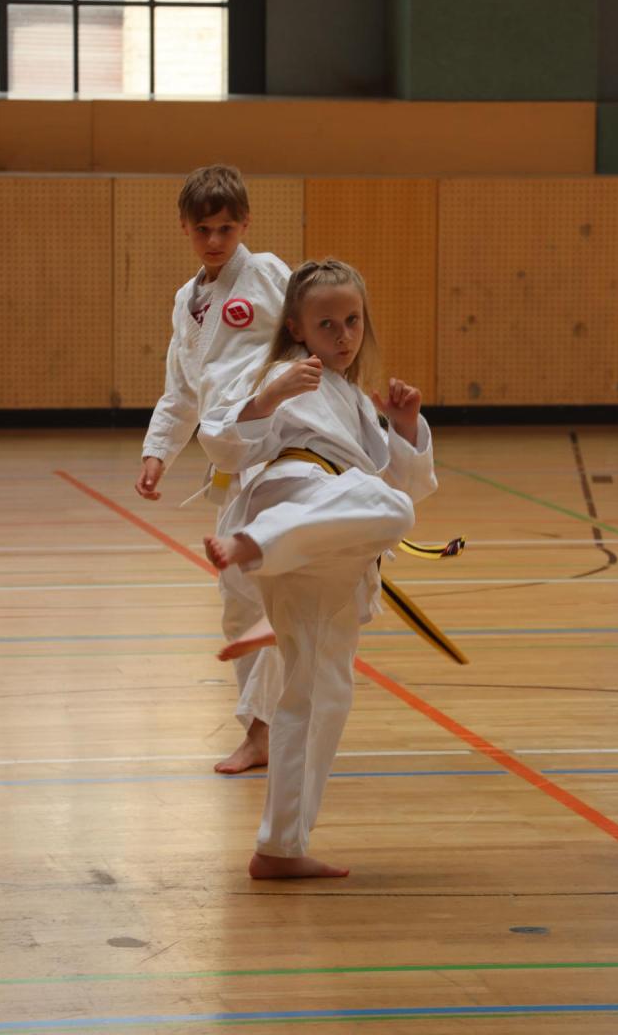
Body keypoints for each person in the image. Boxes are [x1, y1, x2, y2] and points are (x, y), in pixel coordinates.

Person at [199, 260, 437, 878]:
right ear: (296, 328)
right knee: (393, 508)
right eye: (326, 323)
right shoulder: (280, 373)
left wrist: (405, 425)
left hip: (327, 549)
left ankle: (280, 848)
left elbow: (402, 479)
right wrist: (268, 398)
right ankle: (256, 546)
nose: (343, 335)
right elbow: (221, 441)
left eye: (352, 320)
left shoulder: (354, 397)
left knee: (319, 696)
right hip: (292, 495)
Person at [135, 164, 288, 774]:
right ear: (185, 229)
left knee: (275, 595)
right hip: (231, 465)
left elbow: (317, 336)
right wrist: (158, 452)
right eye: (203, 230)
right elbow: (182, 388)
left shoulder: (268, 273)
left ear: (245, 223)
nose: (215, 240)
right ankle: (261, 729)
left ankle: (267, 729)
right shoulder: (189, 300)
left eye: (226, 228)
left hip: (281, 455)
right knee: (239, 602)